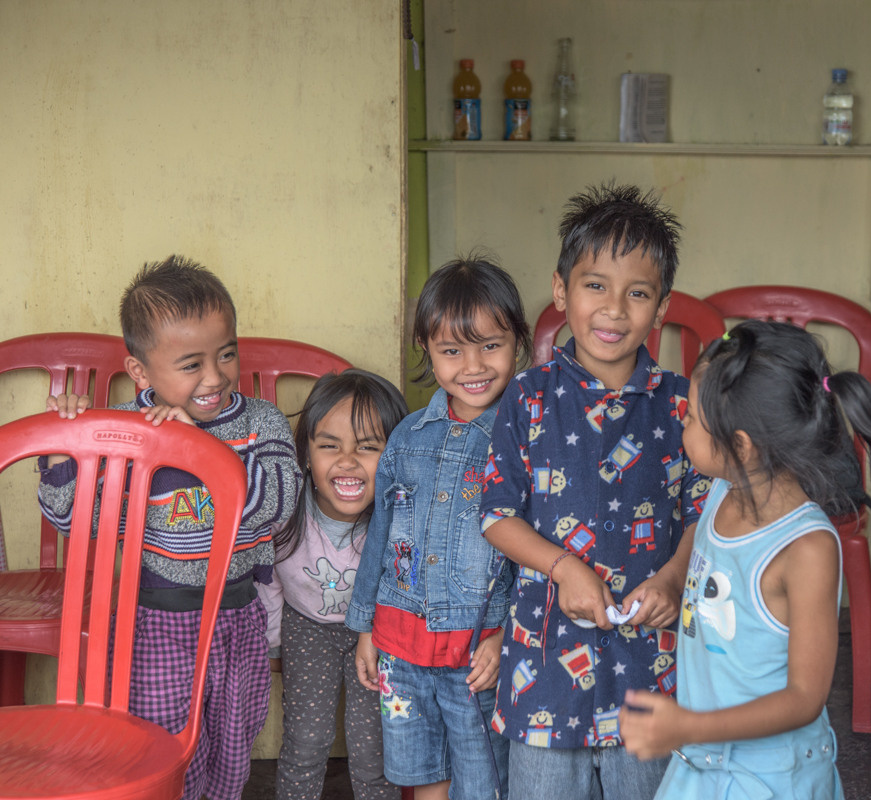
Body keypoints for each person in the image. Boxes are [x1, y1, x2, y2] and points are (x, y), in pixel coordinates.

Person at [618, 320, 871, 799]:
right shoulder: (723, 491)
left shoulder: (805, 549)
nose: (681, 425)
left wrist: (687, 725)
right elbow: (698, 536)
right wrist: (671, 580)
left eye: (691, 418)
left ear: (741, 445)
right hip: (705, 763)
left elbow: (805, 698)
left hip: (769, 778)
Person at [37, 255, 301, 800]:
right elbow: (72, 518)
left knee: (233, 750)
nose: (215, 376)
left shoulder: (262, 423)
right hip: (156, 620)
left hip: (239, 618)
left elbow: (274, 506)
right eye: (191, 364)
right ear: (141, 373)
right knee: (161, 752)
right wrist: (70, 448)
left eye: (226, 353)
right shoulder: (126, 434)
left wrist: (197, 449)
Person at [480, 183, 709, 800]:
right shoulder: (527, 398)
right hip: (548, 659)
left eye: (637, 293)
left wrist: (672, 578)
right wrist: (563, 568)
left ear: (661, 308)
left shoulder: (682, 403)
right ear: (561, 292)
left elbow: (705, 507)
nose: (614, 309)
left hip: (648, 661)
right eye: (595, 286)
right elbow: (497, 516)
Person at [345, 256, 532, 800]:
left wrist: (506, 637)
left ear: (517, 342)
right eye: (452, 351)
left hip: (476, 650)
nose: (473, 366)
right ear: (426, 349)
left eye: (490, 346)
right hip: (400, 647)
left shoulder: (524, 438)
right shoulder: (407, 436)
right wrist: (364, 625)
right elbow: (380, 534)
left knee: (482, 779)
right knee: (419, 772)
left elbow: (534, 551)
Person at [256, 369, 409, 800]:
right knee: (305, 743)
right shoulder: (284, 508)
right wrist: (271, 643)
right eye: (329, 446)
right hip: (307, 628)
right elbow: (267, 577)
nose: (347, 461)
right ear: (305, 454)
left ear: (395, 455)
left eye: (368, 447)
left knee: (374, 752)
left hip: (379, 633)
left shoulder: (401, 516)